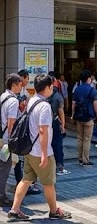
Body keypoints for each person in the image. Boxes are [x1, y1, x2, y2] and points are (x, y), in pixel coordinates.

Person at [7, 75, 72, 221]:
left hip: (29, 150)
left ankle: (14, 209)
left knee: (25, 180)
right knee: (49, 183)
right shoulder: (44, 106)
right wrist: (44, 154)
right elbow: (43, 130)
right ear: (48, 87)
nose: (52, 89)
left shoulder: (32, 100)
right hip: (40, 151)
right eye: (51, 86)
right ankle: (54, 211)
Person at [0, 74, 23, 206]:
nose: (21, 86)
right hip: (7, 141)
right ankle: (1, 196)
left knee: (2, 167)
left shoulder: (3, 96)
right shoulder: (13, 101)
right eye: (20, 84)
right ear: (14, 85)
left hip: (1, 138)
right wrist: (12, 143)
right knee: (5, 168)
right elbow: (11, 124)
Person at [70, 70, 97, 167]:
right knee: (87, 139)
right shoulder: (92, 90)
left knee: (80, 138)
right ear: (88, 78)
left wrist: (73, 115)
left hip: (79, 117)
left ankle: (79, 158)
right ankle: (85, 159)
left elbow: (73, 104)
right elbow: (96, 105)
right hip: (88, 117)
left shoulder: (77, 89)